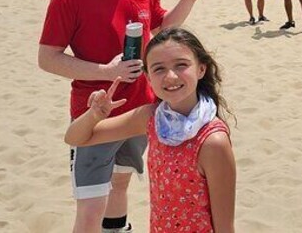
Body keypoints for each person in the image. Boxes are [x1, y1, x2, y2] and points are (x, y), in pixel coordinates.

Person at [38, 0, 203, 233]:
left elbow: (161, 26)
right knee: (90, 203)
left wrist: (188, 0)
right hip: (95, 115)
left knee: (120, 186)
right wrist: (106, 71)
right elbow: (48, 58)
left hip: (139, 111)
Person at [65, 28, 236, 233]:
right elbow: (75, 138)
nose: (171, 76)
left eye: (181, 65)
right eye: (159, 69)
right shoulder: (151, 117)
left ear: (201, 69)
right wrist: (94, 115)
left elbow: (225, 227)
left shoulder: (212, 141)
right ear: (147, 76)